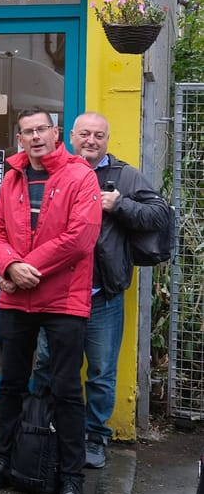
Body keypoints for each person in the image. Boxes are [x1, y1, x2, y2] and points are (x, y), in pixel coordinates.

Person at [0, 107, 101, 494]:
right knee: (10, 385)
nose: (35, 137)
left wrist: (27, 267)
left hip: (64, 299)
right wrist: (10, 265)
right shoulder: (12, 176)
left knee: (65, 391)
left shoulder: (81, 175)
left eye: (42, 129)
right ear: (19, 137)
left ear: (56, 132)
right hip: (16, 295)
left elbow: (81, 237)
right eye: (27, 131)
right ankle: (3, 462)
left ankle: (70, 476)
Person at [33, 112, 170, 469]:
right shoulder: (53, 170)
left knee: (101, 373)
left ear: (107, 140)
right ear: (71, 137)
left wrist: (119, 204)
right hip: (57, 294)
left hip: (101, 294)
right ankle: (40, 427)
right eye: (85, 135)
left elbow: (160, 215)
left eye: (99, 135)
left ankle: (95, 437)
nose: (91, 141)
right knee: (47, 364)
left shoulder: (125, 176)